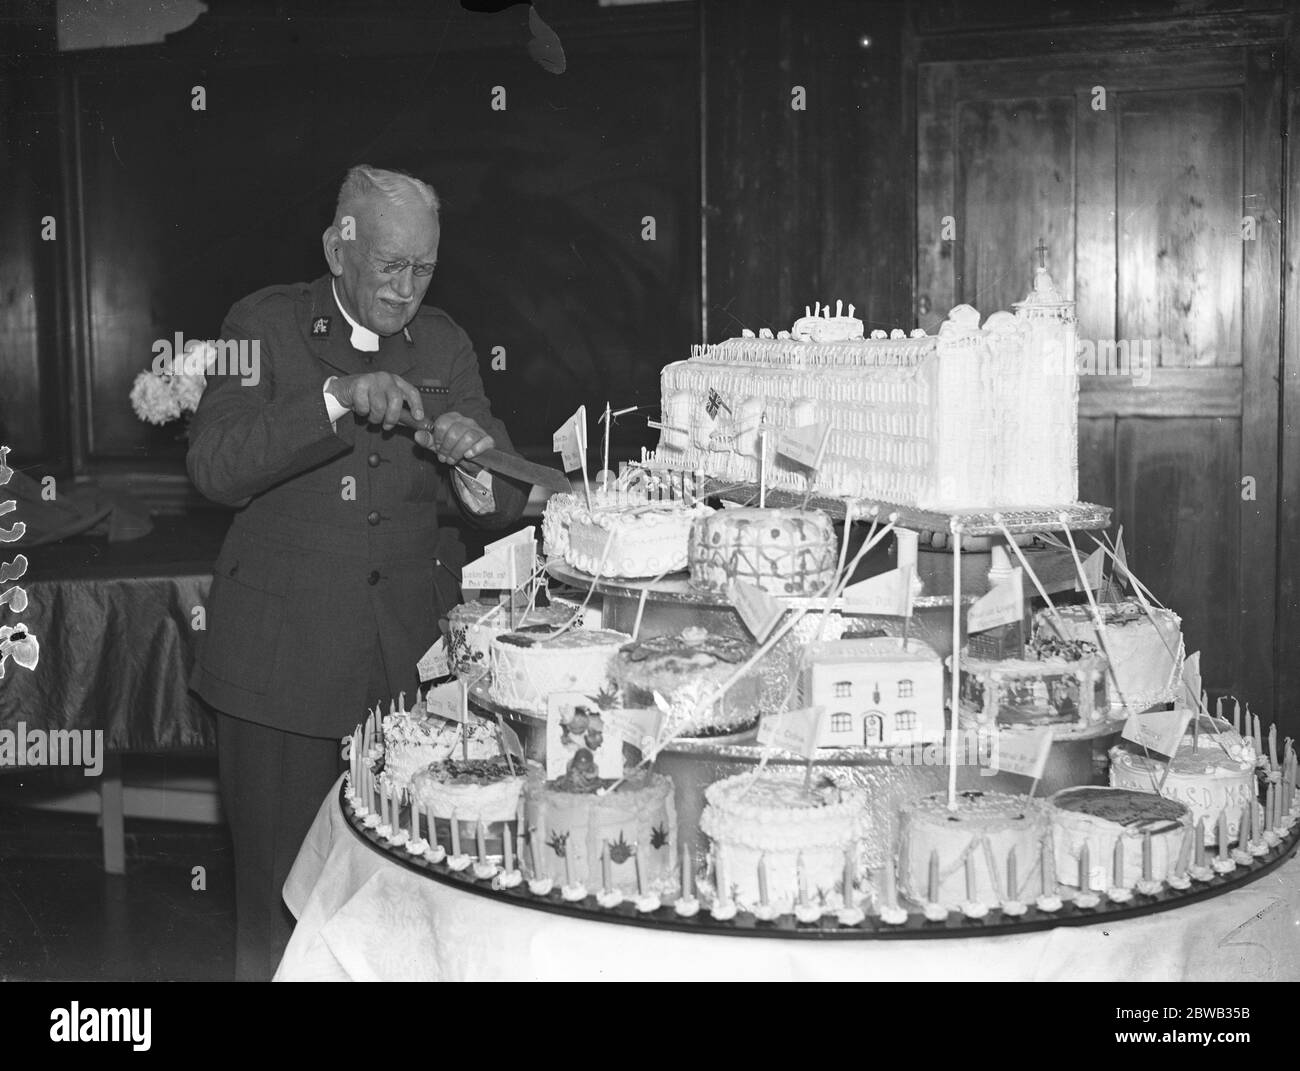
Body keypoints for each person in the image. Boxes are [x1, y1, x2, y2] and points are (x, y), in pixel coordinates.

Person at [186, 166, 530, 980]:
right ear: (339, 248)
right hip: (279, 683)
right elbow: (214, 465)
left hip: (408, 687)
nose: (408, 290)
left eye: (424, 270)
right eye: (389, 266)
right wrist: (334, 398)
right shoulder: (260, 324)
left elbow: (506, 489)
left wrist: (472, 465)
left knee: (406, 921)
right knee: (279, 923)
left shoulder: (444, 342)